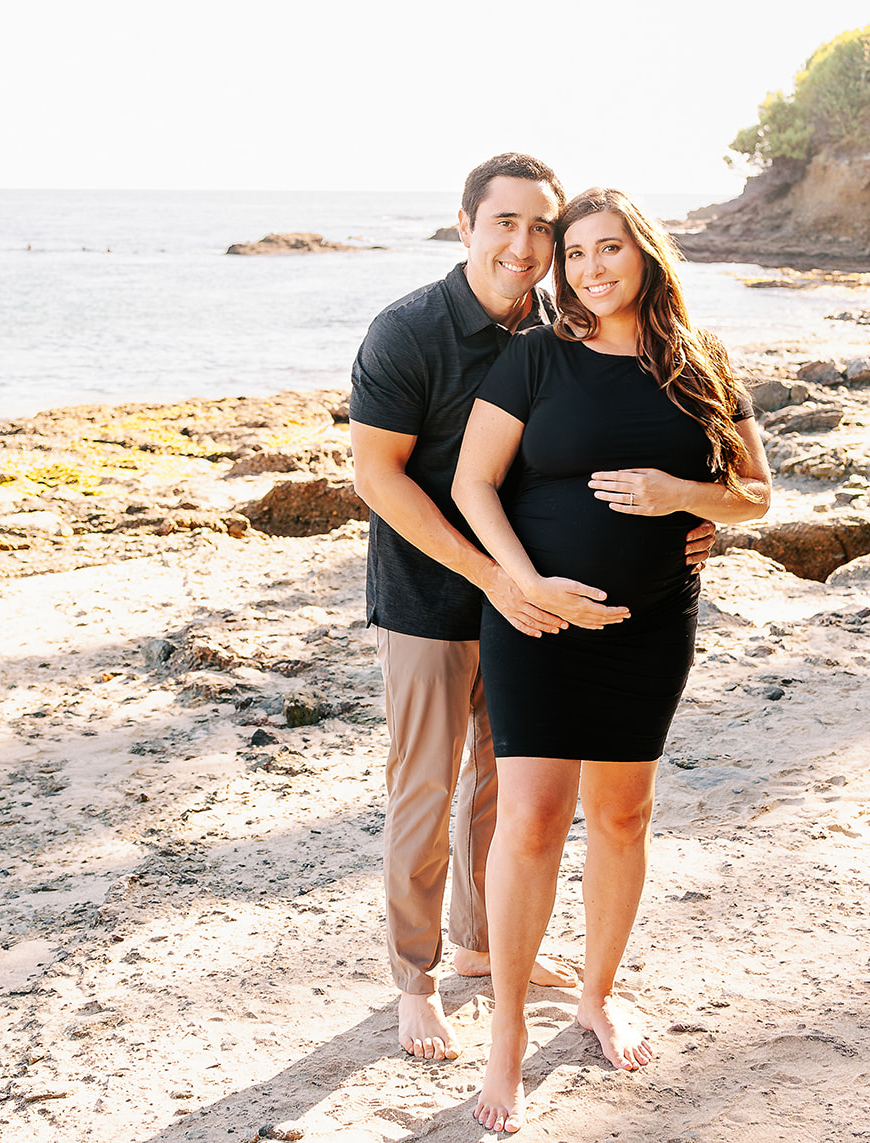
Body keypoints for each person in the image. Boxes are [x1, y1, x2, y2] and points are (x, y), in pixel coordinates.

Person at [348, 156, 718, 1062]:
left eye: (541, 228)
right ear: (467, 224)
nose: (526, 244)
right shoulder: (410, 332)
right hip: (435, 594)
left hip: (538, 604)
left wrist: (694, 520)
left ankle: (480, 945)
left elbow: (629, 441)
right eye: (504, 223)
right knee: (426, 787)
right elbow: (377, 477)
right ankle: (415, 980)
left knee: (501, 792)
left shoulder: (562, 328)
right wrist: (493, 576)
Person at [452, 187, 773, 1133]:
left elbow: (755, 495)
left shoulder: (700, 363)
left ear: (646, 254)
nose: (591, 269)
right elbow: (474, 483)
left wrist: (681, 493)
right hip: (539, 627)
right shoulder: (535, 358)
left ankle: (596, 995)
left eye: (609, 249)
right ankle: (507, 1033)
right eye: (576, 254)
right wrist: (524, 584)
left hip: (652, 625)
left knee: (625, 815)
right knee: (533, 821)